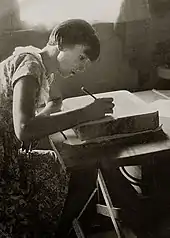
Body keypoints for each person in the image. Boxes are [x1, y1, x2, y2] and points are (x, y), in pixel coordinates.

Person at [0, 19, 114, 237]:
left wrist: (46, 113)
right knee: (58, 175)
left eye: (86, 64)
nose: (81, 68)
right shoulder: (30, 65)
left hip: (8, 153)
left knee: (54, 165)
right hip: (3, 163)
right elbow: (23, 129)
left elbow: (44, 107)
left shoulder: (41, 66)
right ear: (60, 44)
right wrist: (85, 113)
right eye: (81, 58)